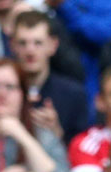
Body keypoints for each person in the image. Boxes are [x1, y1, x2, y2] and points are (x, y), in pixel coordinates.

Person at [11, 10, 89, 143]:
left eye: (38, 43)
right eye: (23, 43)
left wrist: (57, 134)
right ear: (12, 45)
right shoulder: (1, 92)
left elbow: (82, 148)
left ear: (53, 45)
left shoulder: (74, 95)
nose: (30, 51)